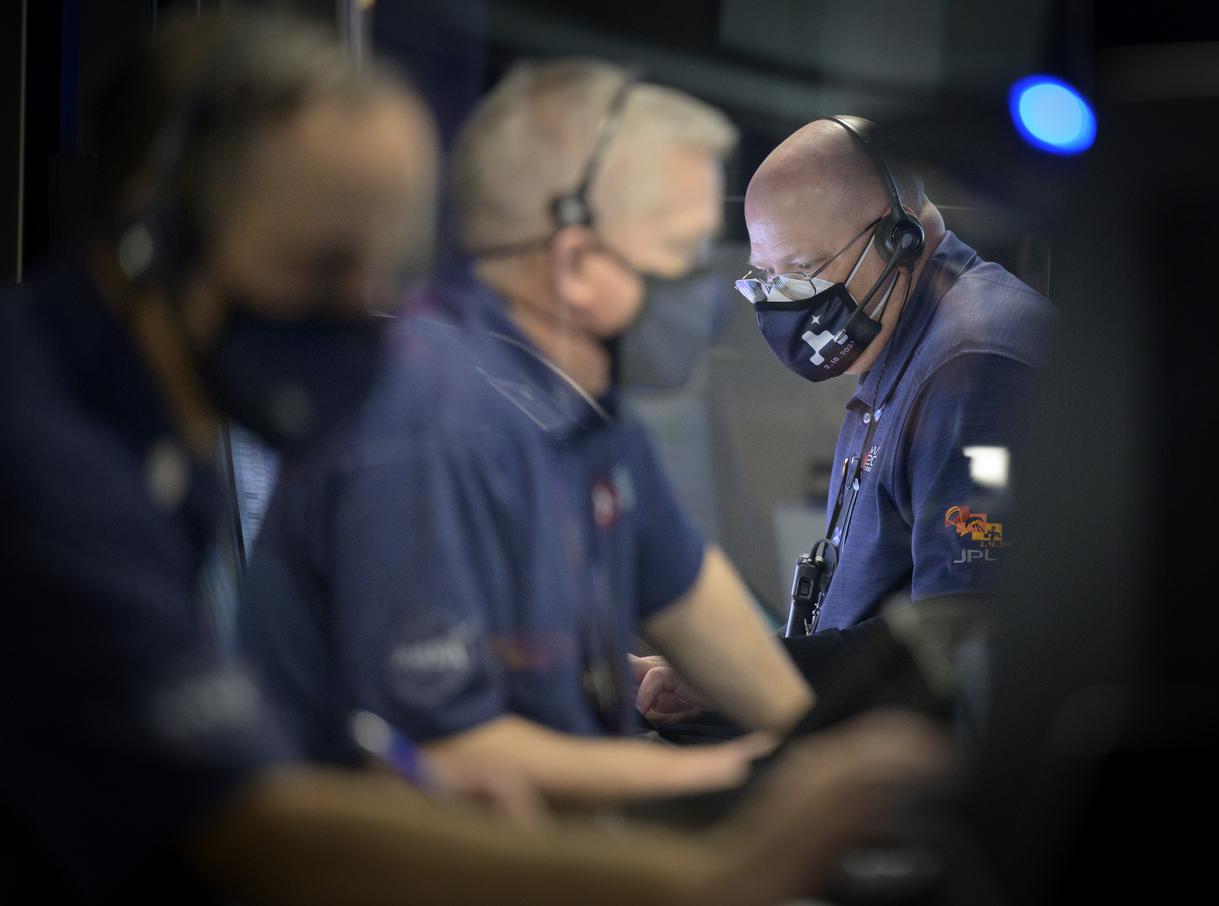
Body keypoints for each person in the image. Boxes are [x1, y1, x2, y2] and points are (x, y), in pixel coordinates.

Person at [0, 14, 951, 903]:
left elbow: (693, 611)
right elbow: (249, 823)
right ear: (154, 244)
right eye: (322, 267)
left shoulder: (172, 423)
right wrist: (727, 859)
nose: (361, 319)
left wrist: (811, 763)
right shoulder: (53, 465)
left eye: (377, 269)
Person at [239, 59, 815, 808]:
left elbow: (691, 601)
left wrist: (819, 745)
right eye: (683, 255)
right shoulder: (429, 421)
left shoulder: (588, 417)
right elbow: (453, 757)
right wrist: (769, 782)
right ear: (573, 264)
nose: (712, 294)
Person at [727, 116, 1057, 687]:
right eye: (767, 276)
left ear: (898, 237)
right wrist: (728, 678)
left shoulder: (975, 366)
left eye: (802, 270)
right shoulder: (904, 344)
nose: (784, 300)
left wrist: (742, 679)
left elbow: (958, 643)